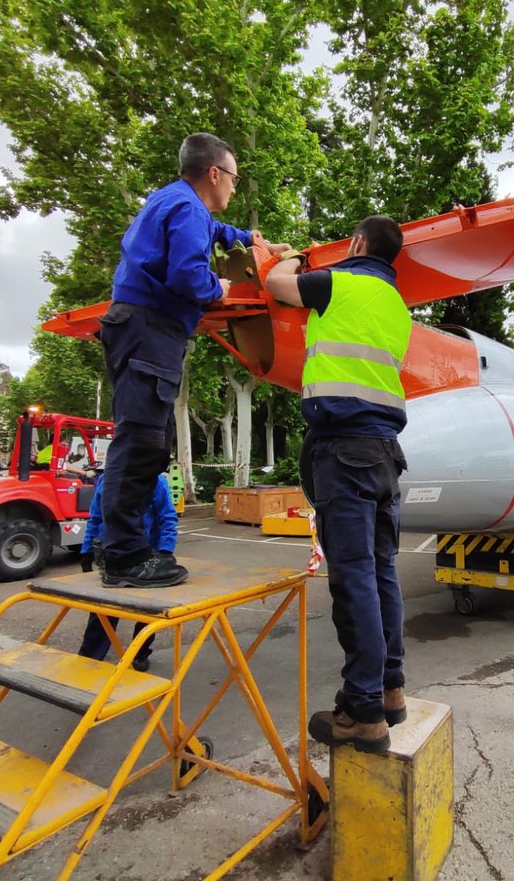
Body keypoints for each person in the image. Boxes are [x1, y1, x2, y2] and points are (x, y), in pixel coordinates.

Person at [96, 131, 288, 588]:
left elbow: (212, 231)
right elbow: (188, 276)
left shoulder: (173, 201)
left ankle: (125, 549)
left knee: (152, 443)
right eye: (235, 179)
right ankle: (123, 558)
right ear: (215, 173)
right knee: (140, 442)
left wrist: (250, 238)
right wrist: (216, 288)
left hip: (138, 328)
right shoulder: (185, 210)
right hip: (150, 330)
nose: (235, 188)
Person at [264, 215, 412, 754]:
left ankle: (363, 711)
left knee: (353, 581)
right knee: (381, 574)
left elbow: (276, 284)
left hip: (343, 450)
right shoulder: (398, 307)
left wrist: (292, 257)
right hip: (384, 454)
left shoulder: (339, 281)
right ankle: (390, 690)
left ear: (356, 244)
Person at [77, 472, 178, 671]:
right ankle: (90, 656)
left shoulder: (154, 480)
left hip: (147, 555)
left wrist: (166, 551)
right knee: (104, 608)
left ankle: (140, 653)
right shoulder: (107, 480)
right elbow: (96, 516)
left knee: (147, 610)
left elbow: (168, 517)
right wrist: (86, 549)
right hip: (112, 554)